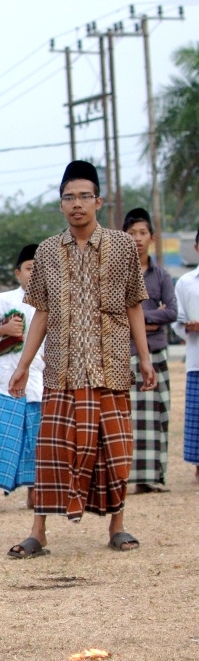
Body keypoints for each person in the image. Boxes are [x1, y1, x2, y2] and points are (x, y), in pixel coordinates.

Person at [7, 160, 154, 559]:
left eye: (84, 196)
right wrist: (23, 365)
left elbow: (134, 306)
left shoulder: (123, 247)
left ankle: (118, 527)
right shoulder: (48, 253)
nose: (77, 204)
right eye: (69, 197)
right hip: (63, 370)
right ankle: (38, 532)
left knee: (116, 451)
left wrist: (144, 359)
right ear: (60, 204)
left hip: (110, 369)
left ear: (99, 201)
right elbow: (41, 312)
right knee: (52, 451)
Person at [0, 244, 44, 513]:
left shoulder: (50, 303)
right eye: (29, 268)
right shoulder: (1, 301)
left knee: (34, 440)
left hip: (37, 382)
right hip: (2, 381)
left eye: (39, 268)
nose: (34, 273)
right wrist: (3, 330)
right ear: (18, 273)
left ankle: (34, 494)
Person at [122, 208, 177, 493]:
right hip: (126, 355)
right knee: (128, 418)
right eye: (132, 234)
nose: (138, 239)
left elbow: (173, 313)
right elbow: (117, 314)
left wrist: (141, 320)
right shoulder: (117, 274)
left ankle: (154, 477)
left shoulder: (162, 276)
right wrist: (152, 317)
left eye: (143, 233)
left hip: (157, 355)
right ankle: (129, 477)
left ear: (152, 238)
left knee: (160, 413)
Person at [172, 227, 199, 484]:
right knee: (196, 414)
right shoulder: (186, 282)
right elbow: (177, 319)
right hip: (196, 358)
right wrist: (186, 327)